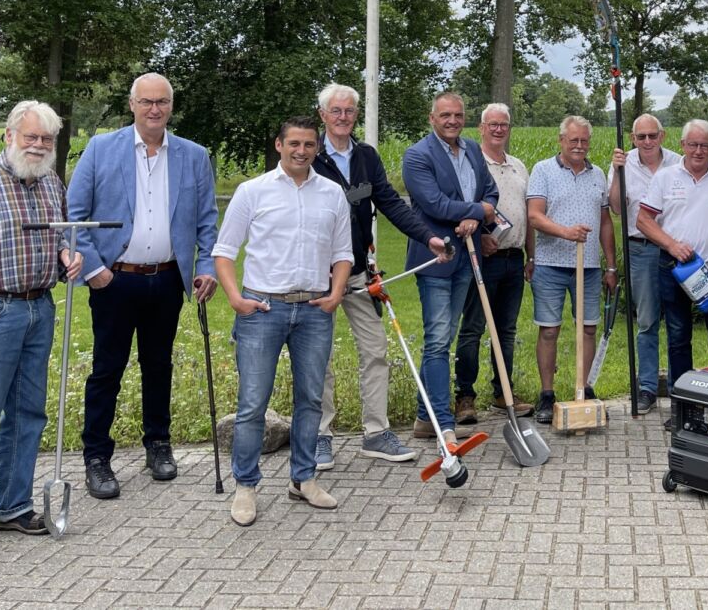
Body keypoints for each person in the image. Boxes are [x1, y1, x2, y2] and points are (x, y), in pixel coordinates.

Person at [66, 73, 219, 500]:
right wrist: (95, 270)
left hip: (167, 278)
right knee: (106, 370)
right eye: (147, 102)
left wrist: (203, 266)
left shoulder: (193, 155)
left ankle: (158, 444)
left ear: (172, 106)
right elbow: (74, 215)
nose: (155, 109)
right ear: (132, 104)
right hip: (115, 280)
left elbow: (208, 221)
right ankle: (97, 457)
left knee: (159, 365)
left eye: (163, 102)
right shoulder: (101, 149)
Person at [0, 102, 83, 555]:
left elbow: (63, 237)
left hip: (38, 309)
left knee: (29, 413)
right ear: (9, 135)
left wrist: (70, 256)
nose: (39, 146)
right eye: (31, 137)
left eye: (46, 139)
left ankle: (11, 507)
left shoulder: (51, 183)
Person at [213, 116, 352, 526]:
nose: (301, 151)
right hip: (263, 310)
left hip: (313, 311)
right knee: (253, 403)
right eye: (294, 143)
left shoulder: (332, 194)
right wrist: (236, 298)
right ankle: (246, 486)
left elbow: (343, 253)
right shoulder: (252, 192)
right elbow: (224, 250)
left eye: (309, 144)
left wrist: (337, 293)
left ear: (316, 149)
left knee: (310, 400)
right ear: (279, 145)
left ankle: (303, 479)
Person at [310, 83, 447, 468]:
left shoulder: (366, 156)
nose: (343, 117)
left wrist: (429, 237)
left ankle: (376, 433)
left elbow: (388, 202)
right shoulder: (309, 153)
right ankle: (320, 435)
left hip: (357, 273)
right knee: (319, 357)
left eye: (349, 111)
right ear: (323, 115)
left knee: (376, 351)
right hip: (317, 276)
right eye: (335, 111)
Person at [401, 92, 498, 443]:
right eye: (445, 115)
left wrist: (478, 215)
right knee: (439, 341)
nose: (453, 121)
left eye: (458, 115)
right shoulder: (417, 156)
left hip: (466, 259)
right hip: (435, 260)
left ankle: (424, 417)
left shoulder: (472, 150)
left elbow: (490, 192)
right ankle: (444, 422)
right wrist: (477, 212)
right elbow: (435, 204)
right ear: (432, 118)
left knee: (443, 340)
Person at [637, 119, 708, 430]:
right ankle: (686, 411)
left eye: (705, 145)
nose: (699, 150)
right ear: (682, 145)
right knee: (678, 339)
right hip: (673, 268)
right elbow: (644, 220)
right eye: (693, 144)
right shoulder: (665, 177)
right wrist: (671, 244)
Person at [527, 116, 617, 423]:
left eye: (584, 141)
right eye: (573, 140)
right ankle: (547, 394)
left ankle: (584, 388)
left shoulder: (598, 174)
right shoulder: (543, 170)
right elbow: (535, 217)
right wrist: (566, 232)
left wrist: (611, 264)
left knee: (588, 328)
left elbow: (606, 222)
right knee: (550, 330)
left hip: (589, 267)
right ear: (561, 140)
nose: (579, 146)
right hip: (551, 264)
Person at [453, 103, 535, 422]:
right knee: (473, 327)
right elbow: (467, 207)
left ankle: (504, 392)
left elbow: (527, 215)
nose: (499, 129)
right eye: (493, 124)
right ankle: (465, 396)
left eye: (504, 124)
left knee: (506, 330)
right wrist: (480, 236)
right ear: (481, 128)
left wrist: (532, 255)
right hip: (482, 257)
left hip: (514, 259)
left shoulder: (518, 166)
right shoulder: (474, 166)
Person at [608, 113, 681, 414]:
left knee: (678, 322)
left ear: (662, 136)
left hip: (677, 250)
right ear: (633, 139)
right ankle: (648, 387)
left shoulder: (679, 162)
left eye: (652, 136)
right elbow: (614, 207)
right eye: (641, 137)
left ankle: (680, 387)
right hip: (640, 248)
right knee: (647, 320)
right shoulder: (624, 165)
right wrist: (615, 171)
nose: (647, 142)